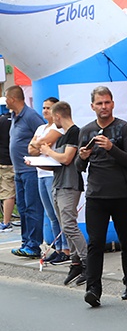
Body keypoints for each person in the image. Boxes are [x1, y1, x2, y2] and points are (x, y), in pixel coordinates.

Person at [75, 86, 127, 307]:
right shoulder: (86, 131)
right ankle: (93, 289)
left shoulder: (124, 128)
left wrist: (112, 147)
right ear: (92, 106)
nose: (104, 107)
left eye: (107, 102)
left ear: (113, 103)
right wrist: (83, 157)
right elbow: (79, 166)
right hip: (96, 195)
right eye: (99, 103)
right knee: (95, 243)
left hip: (121, 194)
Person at [38, 101, 87, 286]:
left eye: (53, 116)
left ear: (58, 115)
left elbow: (66, 158)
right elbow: (56, 162)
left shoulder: (74, 132)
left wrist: (48, 150)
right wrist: (37, 161)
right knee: (65, 225)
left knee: (69, 225)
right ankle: (75, 262)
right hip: (59, 184)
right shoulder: (65, 135)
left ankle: (86, 262)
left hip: (69, 184)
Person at [5, 85, 46, 258]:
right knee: (22, 207)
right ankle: (26, 242)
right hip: (19, 171)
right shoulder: (15, 117)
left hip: (30, 170)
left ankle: (34, 244)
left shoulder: (30, 115)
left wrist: (36, 150)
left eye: (6, 97)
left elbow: (44, 133)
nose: (5, 101)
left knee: (32, 207)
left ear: (13, 99)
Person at [29, 97, 68, 262]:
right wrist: (40, 146)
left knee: (60, 214)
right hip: (40, 174)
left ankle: (66, 249)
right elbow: (31, 148)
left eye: (49, 108)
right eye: (44, 108)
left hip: (52, 174)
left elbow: (45, 142)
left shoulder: (58, 128)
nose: (45, 111)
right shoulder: (40, 127)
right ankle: (57, 247)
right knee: (51, 215)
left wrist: (39, 144)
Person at [0, 98, 15, 232]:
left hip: (4, 161)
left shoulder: (2, 121)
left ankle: (6, 222)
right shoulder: (18, 120)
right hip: (15, 160)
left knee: (7, 192)